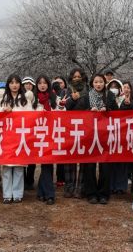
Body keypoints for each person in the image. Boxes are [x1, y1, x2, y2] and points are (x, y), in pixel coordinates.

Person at [0, 74, 34, 203]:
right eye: (11, 82)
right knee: (6, 166)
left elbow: (30, 116)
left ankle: (17, 194)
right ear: (8, 84)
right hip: (6, 136)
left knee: (18, 167)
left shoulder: (25, 99)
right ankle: (7, 194)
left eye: (17, 82)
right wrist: (3, 110)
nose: (14, 85)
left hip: (20, 136)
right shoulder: (2, 99)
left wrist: (15, 113)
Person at [84, 73, 118, 204]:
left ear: (105, 83)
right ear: (92, 83)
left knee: (105, 166)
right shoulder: (86, 96)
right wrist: (89, 110)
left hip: (106, 134)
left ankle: (104, 194)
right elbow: (79, 113)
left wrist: (107, 109)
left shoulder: (110, 95)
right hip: (90, 135)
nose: (98, 84)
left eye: (101, 82)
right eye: (96, 82)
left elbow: (117, 112)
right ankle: (91, 193)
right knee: (90, 166)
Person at [63, 68, 89, 198]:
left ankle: (81, 187)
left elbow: (90, 106)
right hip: (71, 128)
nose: (77, 78)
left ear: (83, 77)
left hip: (85, 127)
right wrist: (72, 99)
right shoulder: (67, 90)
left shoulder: (88, 90)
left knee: (83, 158)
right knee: (70, 157)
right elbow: (65, 106)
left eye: (79, 76)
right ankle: (69, 186)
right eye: (74, 77)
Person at [34, 75, 57, 205]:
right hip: (38, 134)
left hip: (52, 133)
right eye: (40, 83)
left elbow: (61, 112)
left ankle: (48, 194)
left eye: (44, 83)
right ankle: (44, 193)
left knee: (48, 164)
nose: (42, 85)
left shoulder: (54, 97)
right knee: (44, 164)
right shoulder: (33, 99)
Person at [22, 76, 37, 190]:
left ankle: (30, 180)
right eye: (26, 83)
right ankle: (22, 180)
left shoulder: (36, 98)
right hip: (22, 130)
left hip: (34, 130)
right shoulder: (19, 98)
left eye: (30, 84)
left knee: (32, 157)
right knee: (22, 155)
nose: (28, 85)